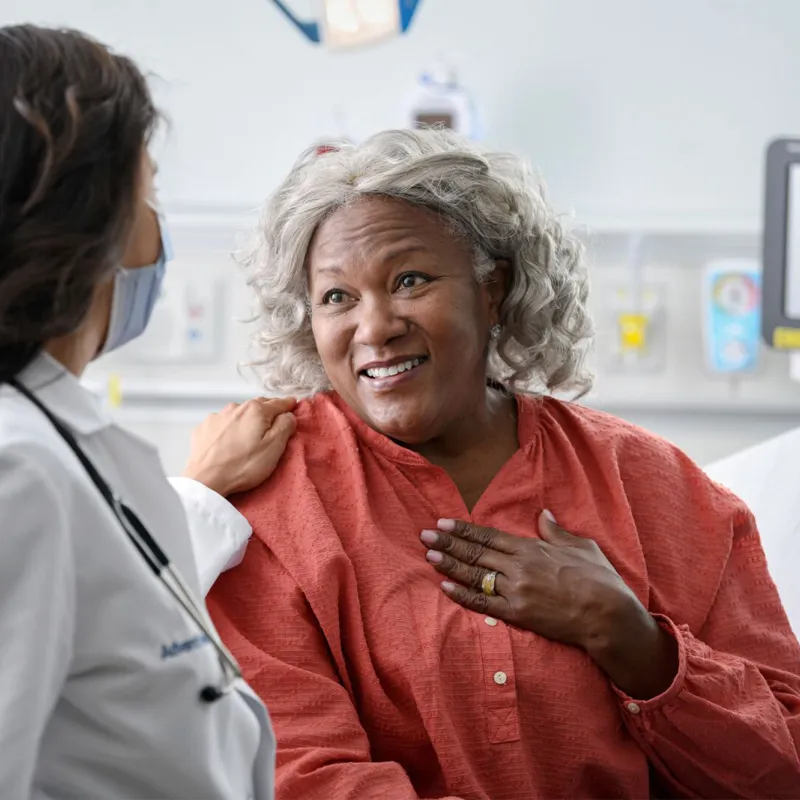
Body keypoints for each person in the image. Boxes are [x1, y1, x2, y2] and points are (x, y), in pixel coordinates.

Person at [208, 128, 800, 799]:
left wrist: (634, 641)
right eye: (337, 297)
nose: (373, 328)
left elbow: (782, 768)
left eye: (410, 280)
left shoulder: (654, 487)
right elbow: (296, 772)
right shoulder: (277, 501)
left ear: (494, 289)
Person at [0, 25, 295, 798]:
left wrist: (194, 495)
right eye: (150, 191)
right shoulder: (16, 468)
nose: (156, 230)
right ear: (87, 219)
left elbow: (108, 651)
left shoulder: (53, 444)